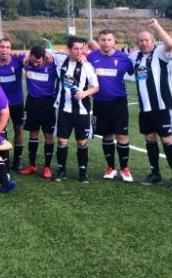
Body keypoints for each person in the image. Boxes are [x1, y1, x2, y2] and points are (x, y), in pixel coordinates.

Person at [131, 19, 172, 190]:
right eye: (141, 40)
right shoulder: (136, 57)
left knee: (166, 139)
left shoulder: (160, 53)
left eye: (146, 40)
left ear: (153, 42)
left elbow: (170, 43)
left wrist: (157, 26)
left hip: (162, 106)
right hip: (145, 108)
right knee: (149, 138)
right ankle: (155, 173)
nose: (144, 43)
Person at [87, 29, 135, 182]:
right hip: (100, 102)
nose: (106, 42)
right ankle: (110, 168)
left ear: (114, 41)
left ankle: (125, 169)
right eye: (103, 40)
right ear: (99, 41)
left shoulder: (124, 58)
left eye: (109, 39)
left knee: (121, 135)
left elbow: (136, 71)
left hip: (118, 102)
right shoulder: (91, 57)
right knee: (106, 135)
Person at [51, 37, 99, 183]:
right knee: (62, 141)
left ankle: (83, 173)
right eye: (75, 49)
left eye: (81, 49)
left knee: (81, 142)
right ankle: (61, 170)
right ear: (68, 49)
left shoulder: (87, 66)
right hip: (64, 110)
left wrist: (84, 93)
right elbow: (46, 52)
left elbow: (96, 87)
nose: (79, 52)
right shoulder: (60, 60)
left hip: (82, 111)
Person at [18, 46, 57, 179]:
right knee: (33, 134)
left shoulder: (53, 64)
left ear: (44, 57)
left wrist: (48, 52)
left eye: (38, 62)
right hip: (32, 102)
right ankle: (32, 165)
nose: (35, 64)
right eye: (33, 61)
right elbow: (12, 53)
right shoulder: (27, 62)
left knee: (48, 136)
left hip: (48, 103)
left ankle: (47, 167)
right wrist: (28, 55)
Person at [0, 38, 26, 171]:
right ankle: (4, 160)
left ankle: (17, 161)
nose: (4, 50)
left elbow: (30, 56)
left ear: (11, 49)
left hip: (17, 103)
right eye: (2, 47)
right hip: (0, 104)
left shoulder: (18, 61)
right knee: (1, 131)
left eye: (7, 47)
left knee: (18, 130)